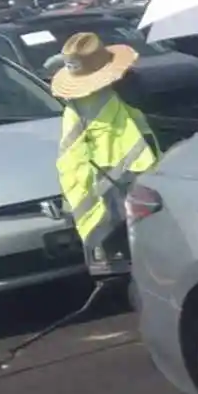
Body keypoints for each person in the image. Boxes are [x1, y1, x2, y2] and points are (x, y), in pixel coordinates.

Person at [51, 31, 159, 278]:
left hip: (121, 192)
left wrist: (80, 213)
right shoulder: (130, 88)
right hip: (133, 186)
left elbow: (71, 165)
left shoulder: (79, 108)